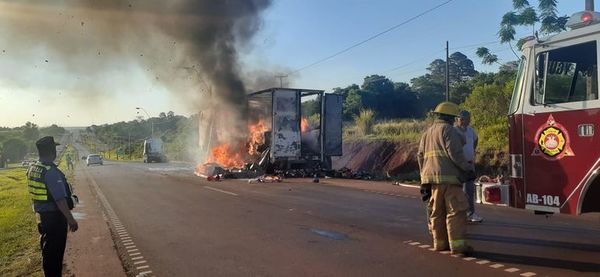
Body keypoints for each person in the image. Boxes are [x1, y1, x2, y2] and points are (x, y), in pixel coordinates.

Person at [417, 102, 475, 255]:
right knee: (456, 212)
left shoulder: (427, 132)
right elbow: (455, 154)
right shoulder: (448, 130)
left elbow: (420, 156)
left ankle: (440, 244)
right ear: (451, 118)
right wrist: (467, 169)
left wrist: (423, 177)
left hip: (432, 180)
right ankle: (458, 246)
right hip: (450, 179)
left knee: (437, 212)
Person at [27, 136, 78, 277]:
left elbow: (36, 194)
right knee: (54, 256)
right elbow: (60, 200)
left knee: (48, 252)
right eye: (54, 148)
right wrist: (71, 219)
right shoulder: (51, 172)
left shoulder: (34, 168)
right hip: (55, 219)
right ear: (52, 151)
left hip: (43, 217)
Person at [457, 110, 482, 223]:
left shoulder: (471, 131)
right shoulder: (454, 131)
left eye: (467, 119)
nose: (465, 121)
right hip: (458, 164)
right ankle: (458, 214)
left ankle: (470, 213)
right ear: (458, 119)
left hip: (469, 163)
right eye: (462, 119)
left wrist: (471, 152)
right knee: (456, 191)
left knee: (469, 190)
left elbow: (475, 140)